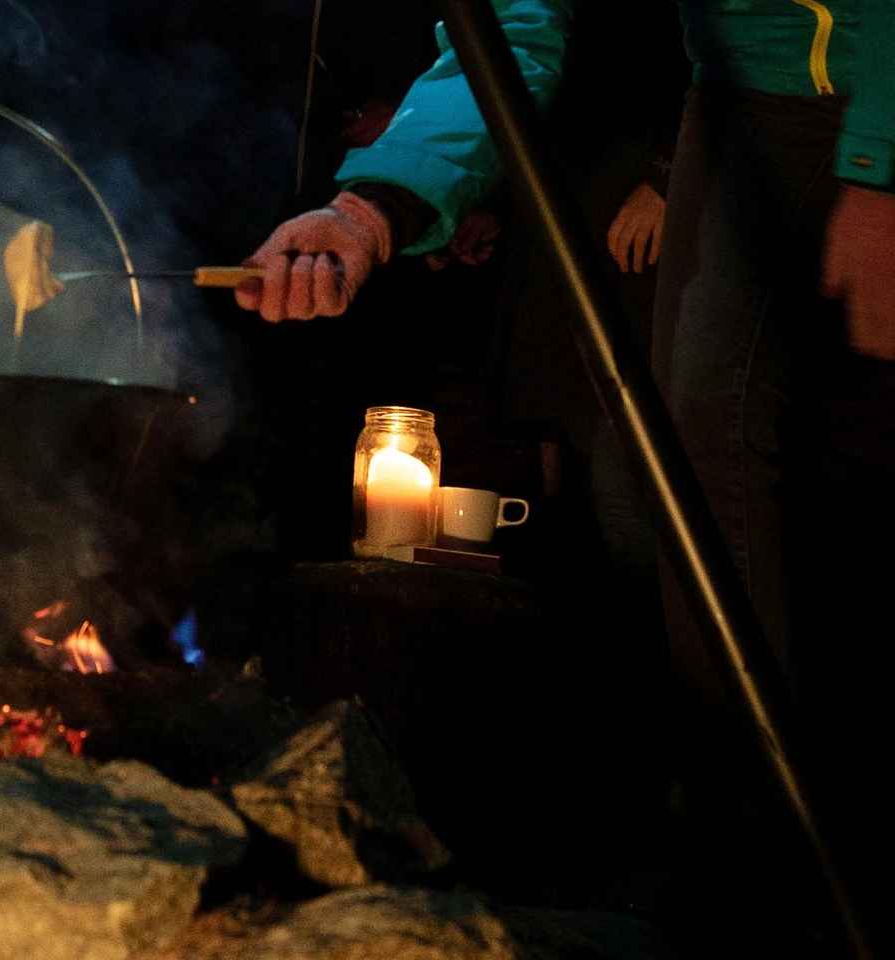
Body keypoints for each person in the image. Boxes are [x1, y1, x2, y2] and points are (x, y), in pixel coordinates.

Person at [234, 0, 895, 949]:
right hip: (744, 93)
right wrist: (370, 207)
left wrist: (884, 167)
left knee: (739, 465)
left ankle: (782, 886)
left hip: (870, 85)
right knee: (647, 496)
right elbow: (506, 28)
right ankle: (737, 865)